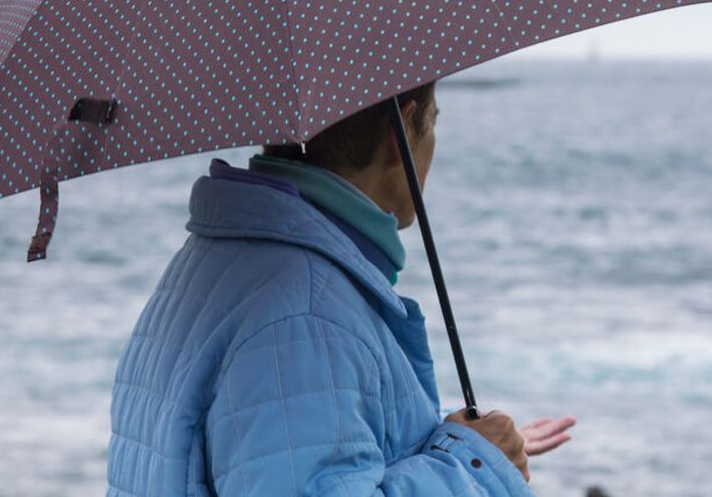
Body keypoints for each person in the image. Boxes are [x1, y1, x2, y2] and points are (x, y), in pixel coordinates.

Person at [106, 82, 575, 496]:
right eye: (431, 124)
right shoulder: (304, 311)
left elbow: (285, 432)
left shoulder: (217, 259)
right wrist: (474, 469)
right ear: (401, 133)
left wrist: (466, 443)